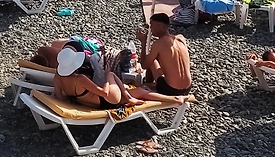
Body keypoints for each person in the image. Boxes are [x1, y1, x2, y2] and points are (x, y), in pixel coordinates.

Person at [52, 44, 180, 110]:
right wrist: (107, 78)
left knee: (140, 92)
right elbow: (104, 92)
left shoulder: (58, 77)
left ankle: (173, 99)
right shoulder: (80, 79)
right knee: (111, 74)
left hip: (88, 103)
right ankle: (130, 98)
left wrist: (77, 99)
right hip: (107, 101)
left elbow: (60, 97)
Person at [136, 13, 193, 95]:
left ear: (158, 26)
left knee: (152, 61)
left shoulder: (159, 43)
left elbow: (144, 65)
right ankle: (151, 84)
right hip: (187, 89)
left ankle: (148, 85)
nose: (150, 29)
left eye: (151, 25)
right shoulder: (181, 39)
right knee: (161, 59)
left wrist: (143, 42)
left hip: (170, 89)